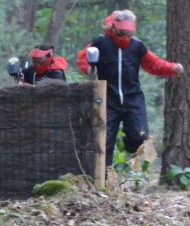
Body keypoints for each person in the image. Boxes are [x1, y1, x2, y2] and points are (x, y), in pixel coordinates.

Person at [76, 10, 181, 164]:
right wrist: (89, 69)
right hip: (106, 99)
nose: (125, 36)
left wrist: (172, 68)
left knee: (140, 135)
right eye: (122, 32)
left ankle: (125, 146)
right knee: (104, 140)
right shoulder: (101, 43)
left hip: (133, 98)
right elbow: (83, 58)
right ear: (113, 29)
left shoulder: (137, 46)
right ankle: (104, 178)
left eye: (129, 33)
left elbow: (153, 64)